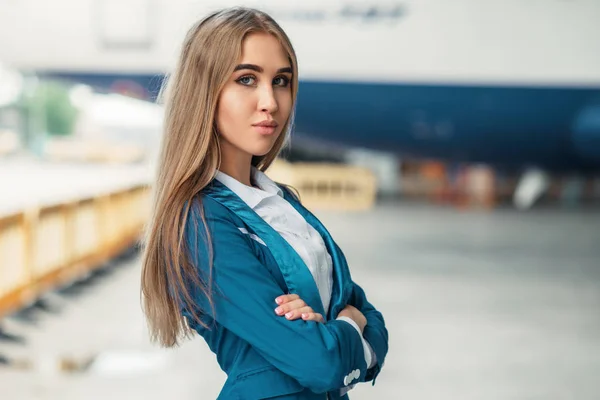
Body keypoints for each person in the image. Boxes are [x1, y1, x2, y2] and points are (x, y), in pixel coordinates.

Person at [140, 7, 388, 399]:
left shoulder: (282, 203)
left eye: (282, 81)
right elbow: (321, 363)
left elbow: (367, 312)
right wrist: (350, 326)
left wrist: (339, 328)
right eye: (246, 79)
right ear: (204, 91)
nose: (270, 101)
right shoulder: (200, 223)